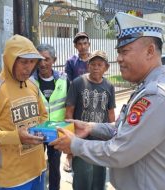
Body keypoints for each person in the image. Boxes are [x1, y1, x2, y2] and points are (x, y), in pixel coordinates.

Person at [50, 12, 165, 190]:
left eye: (124, 51)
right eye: (118, 52)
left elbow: (119, 151)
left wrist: (75, 145)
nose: (119, 58)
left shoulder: (157, 96)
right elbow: (124, 128)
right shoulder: (147, 88)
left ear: (150, 51)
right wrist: (91, 127)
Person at [0, 34, 48, 190]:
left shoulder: (32, 84)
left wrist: (45, 131)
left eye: (32, 62)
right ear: (10, 60)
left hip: (38, 168)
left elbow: (43, 115)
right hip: (12, 177)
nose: (28, 67)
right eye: (23, 62)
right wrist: (16, 137)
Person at [65, 50, 116, 190]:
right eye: (93, 64)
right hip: (81, 141)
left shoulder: (109, 86)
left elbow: (111, 114)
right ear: (88, 66)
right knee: (82, 179)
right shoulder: (78, 83)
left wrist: (113, 138)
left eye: (100, 65)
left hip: (100, 142)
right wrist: (69, 139)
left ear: (106, 67)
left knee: (99, 179)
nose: (96, 68)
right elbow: (69, 112)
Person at [30, 44, 70, 190]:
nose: (42, 63)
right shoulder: (30, 82)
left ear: (54, 60)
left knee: (54, 167)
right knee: (35, 166)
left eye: (46, 59)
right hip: (36, 132)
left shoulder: (64, 80)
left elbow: (70, 106)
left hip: (56, 132)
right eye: (39, 59)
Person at [64, 31, 91, 172]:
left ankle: (88, 154)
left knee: (90, 126)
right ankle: (69, 157)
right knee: (72, 127)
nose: (83, 46)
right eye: (79, 44)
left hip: (92, 100)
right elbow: (68, 82)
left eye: (85, 43)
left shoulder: (94, 59)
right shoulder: (71, 62)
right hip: (75, 100)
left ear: (89, 44)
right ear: (75, 46)